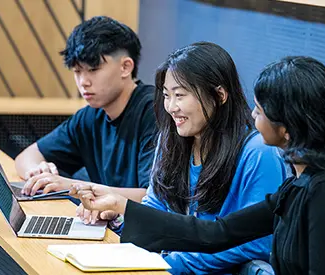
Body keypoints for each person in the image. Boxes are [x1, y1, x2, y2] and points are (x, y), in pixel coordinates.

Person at [71, 56, 325, 275]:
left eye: (260, 111)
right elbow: (215, 233)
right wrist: (126, 209)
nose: (252, 116)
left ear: (289, 126)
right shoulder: (300, 185)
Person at [75, 42, 286, 274]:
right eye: (167, 96)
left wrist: (168, 265)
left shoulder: (257, 151)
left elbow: (255, 243)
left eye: (180, 95)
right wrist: (118, 217)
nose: (171, 107)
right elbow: (156, 206)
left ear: (219, 95)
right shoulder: (171, 139)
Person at [15, 16, 156, 204]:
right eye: (77, 71)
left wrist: (71, 186)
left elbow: (152, 199)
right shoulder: (90, 116)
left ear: (125, 67)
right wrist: (39, 172)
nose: (83, 82)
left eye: (93, 70)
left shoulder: (155, 112)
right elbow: (25, 157)